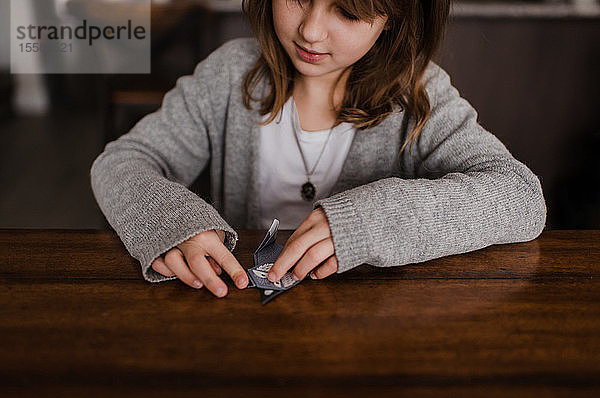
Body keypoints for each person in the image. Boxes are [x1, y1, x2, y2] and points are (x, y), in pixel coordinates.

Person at [90, 0, 546, 298]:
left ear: (394, 20)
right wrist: (173, 221)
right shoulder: (228, 74)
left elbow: (520, 197)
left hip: (368, 327)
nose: (310, 31)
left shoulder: (418, 92)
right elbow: (123, 162)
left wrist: (368, 220)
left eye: (346, 12)